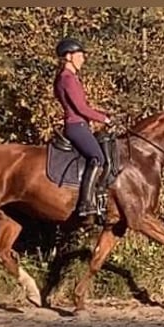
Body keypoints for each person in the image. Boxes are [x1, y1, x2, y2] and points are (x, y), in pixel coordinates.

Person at [53, 37, 112, 217]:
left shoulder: (67, 78)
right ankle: (86, 203)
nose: (83, 59)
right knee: (98, 157)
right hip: (76, 125)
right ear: (69, 56)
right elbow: (81, 108)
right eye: (80, 55)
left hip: (79, 124)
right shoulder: (67, 78)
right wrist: (105, 119)